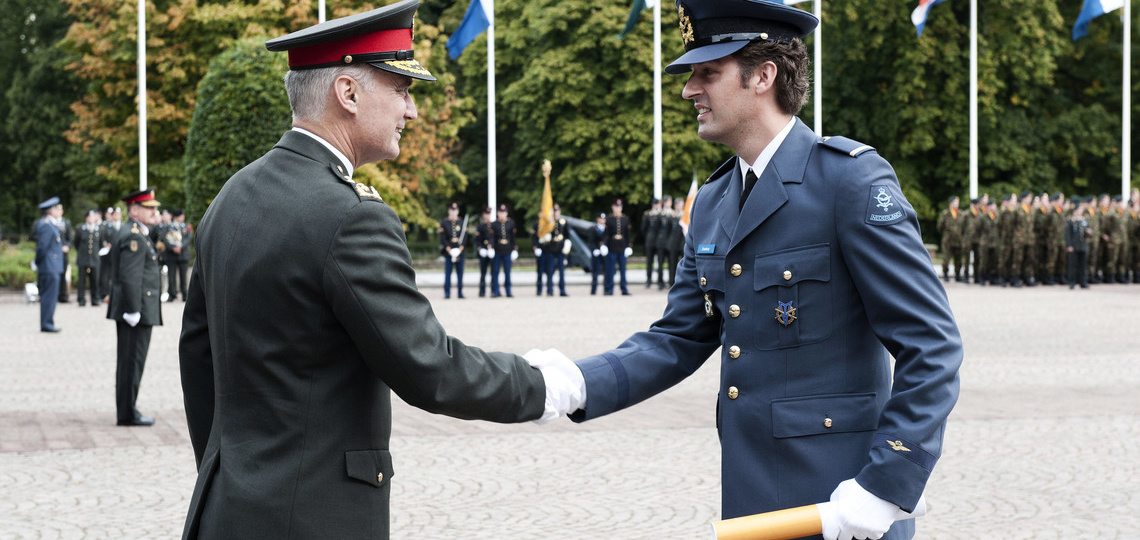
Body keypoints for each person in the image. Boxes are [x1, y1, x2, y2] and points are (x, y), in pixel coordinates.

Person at [527, 2, 963, 539]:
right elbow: (678, 338)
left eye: (708, 72)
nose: (689, 89)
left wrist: (887, 483)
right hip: (752, 504)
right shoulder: (713, 200)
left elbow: (932, 346)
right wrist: (577, 382)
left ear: (763, 75)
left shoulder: (848, 183)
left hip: (845, 511)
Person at [177, 3, 561, 538]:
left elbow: (198, 355)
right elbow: (431, 369)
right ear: (348, 93)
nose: (412, 111)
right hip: (314, 517)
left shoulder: (231, 196)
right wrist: (546, 385)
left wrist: (232, 473)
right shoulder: (350, 214)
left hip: (226, 510)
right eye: (401, 90)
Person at [108, 187, 163, 426]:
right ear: (134, 210)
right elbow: (130, 276)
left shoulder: (136, 232)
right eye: (149, 208)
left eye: (155, 208)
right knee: (132, 361)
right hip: (135, 310)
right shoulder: (133, 235)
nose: (154, 212)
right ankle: (128, 413)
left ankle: (127, 409)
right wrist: (133, 310)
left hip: (137, 308)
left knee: (130, 361)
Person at [34, 197, 65, 332]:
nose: (59, 211)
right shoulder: (46, 224)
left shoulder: (50, 224)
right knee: (49, 296)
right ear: (51, 211)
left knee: (51, 296)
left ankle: (48, 321)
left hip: (52, 265)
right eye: (56, 209)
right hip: (49, 266)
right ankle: (46, 323)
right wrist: (37, 262)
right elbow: (42, 247)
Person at [73, 209, 104, 307]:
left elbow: (101, 244)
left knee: (95, 280)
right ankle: (81, 300)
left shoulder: (99, 229)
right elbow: (76, 243)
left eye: (93, 216)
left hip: (94, 259)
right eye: (90, 216)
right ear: (86, 218)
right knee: (81, 281)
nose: (92, 219)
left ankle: (95, 299)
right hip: (83, 258)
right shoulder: (80, 229)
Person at [603, 198, 632, 296]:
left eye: (619, 207)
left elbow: (628, 234)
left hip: (622, 246)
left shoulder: (625, 219)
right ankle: (609, 289)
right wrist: (604, 245)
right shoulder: (609, 218)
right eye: (616, 206)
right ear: (613, 207)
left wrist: (629, 246)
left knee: (623, 270)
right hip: (612, 246)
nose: (618, 209)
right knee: (610, 270)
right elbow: (606, 234)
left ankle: (624, 289)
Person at [439, 202, 465, 299]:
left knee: (460, 273)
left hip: (459, 252)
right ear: (449, 211)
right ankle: (447, 292)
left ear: (457, 211)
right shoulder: (444, 223)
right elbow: (443, 238)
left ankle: (460, 292)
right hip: (448, 253)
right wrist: (449, 249)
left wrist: (460, 249)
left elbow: (465, 237)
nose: (453, 212)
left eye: (455, 210)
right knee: (448, 274)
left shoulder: (461, 223)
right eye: (452, 210)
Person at [491, 203, 517, 297]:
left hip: (507, 250)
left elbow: (513, 238)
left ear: (507, 213)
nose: (502, 214)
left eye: (504, 212)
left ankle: (508, 290)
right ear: (498, 213)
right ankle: (495, 291)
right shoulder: (494, 224)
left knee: (507, 272)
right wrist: (491, 248)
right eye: (501, 212)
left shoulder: (511, 223)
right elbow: (492, 238)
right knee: (495, 272)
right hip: (497, 250)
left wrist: (514, 249)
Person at [166, 209, 192, 301]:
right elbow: (166, 238)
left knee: (183, 276)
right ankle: (172, 294)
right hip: (171, 254)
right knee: (171, 276)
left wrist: (180, 247)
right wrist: (173, 248)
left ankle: (185, 294)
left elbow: (188, 238)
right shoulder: (169, 226)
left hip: (183, 254)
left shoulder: (187, 226)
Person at [936, 195, 964, 282]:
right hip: (947, 240)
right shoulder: (945, 213)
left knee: (958, 259)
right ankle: (945, 274)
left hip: (958, 239)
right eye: (956, 202)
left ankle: (958, 274)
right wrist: (946, 234)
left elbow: (963, 227)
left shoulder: (960, 214)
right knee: (946, 259)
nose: (957, 204)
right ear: (951, 203)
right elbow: (940, 227)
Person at [1065, 197, 1091, 289]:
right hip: (1074, 245)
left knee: (1083, 265)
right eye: (1079, 209)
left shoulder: (1084, 220)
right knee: (1073, 265)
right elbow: (1067, 234)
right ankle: (1072, 282)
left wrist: (1089, 232)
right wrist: (1069, 245)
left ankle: (1083, 282)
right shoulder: (1071, 220)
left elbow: (1088, 232)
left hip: (1083, 245)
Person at [98, 207, 121, 302]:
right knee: (105, 275)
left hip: (117, 254)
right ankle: (105, 293)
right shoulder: (105, 226)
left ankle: (115, 293)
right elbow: (101, 239)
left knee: (115, 274)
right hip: (107, 254)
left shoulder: (122, 226)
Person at [641, 197, 662, 288]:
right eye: (655, 204)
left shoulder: (662, 214)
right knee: (649, 261)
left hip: (660, 241)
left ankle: (660, 281)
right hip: (650, 241)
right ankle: (648, 280)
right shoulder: (647, 214)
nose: (657, 206)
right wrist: (648, 237)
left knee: (660, 262)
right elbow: (643, 228)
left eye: (658, 204)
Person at [474, 206, 494, 297]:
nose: (487, 215)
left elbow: (495, 238)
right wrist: (480, 249)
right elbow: (477, 240)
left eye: (488, 214)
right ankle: (482, 292)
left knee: (494, 273)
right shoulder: (480, 226)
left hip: (491, 252)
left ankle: (494, 291)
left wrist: (492, 248)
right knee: (483, 273)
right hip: (483, 251)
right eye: (486, 214)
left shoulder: (494, 225)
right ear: (483, 214)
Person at [589, 212, 606, 295]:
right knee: (595, 272)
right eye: (600, 218)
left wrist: (605, 247)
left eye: (603, 219)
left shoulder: (607, 229)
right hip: (596, 252)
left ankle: (607, 289)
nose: (602, 220)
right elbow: (591, 241)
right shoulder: (593, 228)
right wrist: (594, 249)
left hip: (605, 252)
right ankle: (594, 290)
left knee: (607, 272)